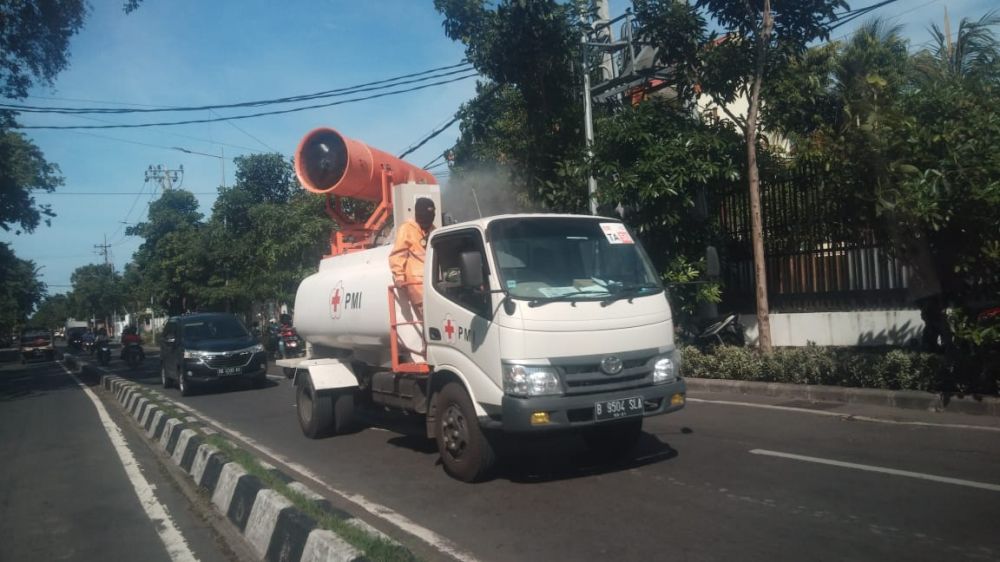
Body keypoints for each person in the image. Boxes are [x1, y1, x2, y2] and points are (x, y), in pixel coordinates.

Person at [389, 197, 436, 319]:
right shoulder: (407, 228)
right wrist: (399, 276)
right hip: (417, 284)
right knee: (430, 320)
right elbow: (398, 254)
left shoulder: (433, 230)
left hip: (434, 282)